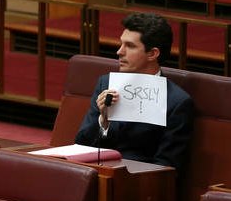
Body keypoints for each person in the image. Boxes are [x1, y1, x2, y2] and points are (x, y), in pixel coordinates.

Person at [75, 12, 193, 172]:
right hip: (95, 173)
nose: (119, 51)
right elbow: (82, 144)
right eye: (121, 44)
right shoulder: (106, 84)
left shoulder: (176, 102)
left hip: (138, 183)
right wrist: (104, 120)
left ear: (152, 54)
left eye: (129, 46)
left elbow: (166, 167)